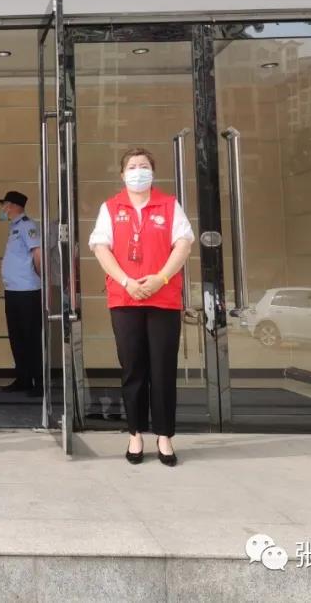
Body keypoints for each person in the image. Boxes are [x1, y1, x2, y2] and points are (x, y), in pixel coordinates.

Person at [88, 147, 193, 467]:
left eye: (144, 166)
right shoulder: (110, 207)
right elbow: (100, 248)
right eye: (132, 167)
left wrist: (161, 278)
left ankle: (164, 436)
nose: (138, 171)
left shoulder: (169, 205)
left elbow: (184, 244)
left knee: (162, 369)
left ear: (153, 171)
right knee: (133, 368)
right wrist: (126, 281)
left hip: (163, 299)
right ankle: (135, 433)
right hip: (125, 299)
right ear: (122, 174)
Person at [0, 190, 43, 397]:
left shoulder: (27, 225)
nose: (3, 209)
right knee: (17, 337)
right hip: (13, 291)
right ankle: (23, 378)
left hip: (27, 291)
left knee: (31, 338)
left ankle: (39, 382)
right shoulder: (14, 227)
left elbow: (37, 253)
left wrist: (41, 277)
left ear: (14, 205)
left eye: (5, 204)